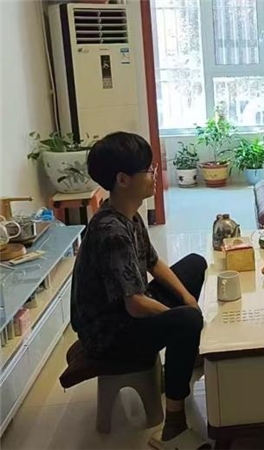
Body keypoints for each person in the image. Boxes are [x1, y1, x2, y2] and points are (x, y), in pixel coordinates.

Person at [70, 132, 210, 449]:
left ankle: (182, 361)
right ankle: (173, 426)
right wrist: (184, 315)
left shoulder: (128, 213)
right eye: (148, 170)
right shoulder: (111, 232)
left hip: (125, 310)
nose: (154, 175)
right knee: (187, 321)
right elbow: (135, 304)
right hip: (107, 335)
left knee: (194, 264)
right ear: (123, 179)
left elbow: (153, 262)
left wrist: (188, 299)